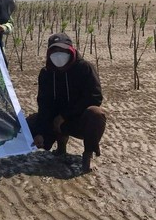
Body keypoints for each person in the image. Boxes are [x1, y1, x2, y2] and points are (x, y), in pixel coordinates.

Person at [27, 32, 107, 173]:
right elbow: (44, 104)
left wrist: (64, 116)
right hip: (54, 121)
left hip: (77, 120)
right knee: (27, 125)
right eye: (54, 51)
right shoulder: (46, 73)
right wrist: (40, 131)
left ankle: (87, 154)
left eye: (62, 51)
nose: (58, 55)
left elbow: (95, 97)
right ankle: (60, 145)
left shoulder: (85, 68)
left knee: (96, 114)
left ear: (70, 50)